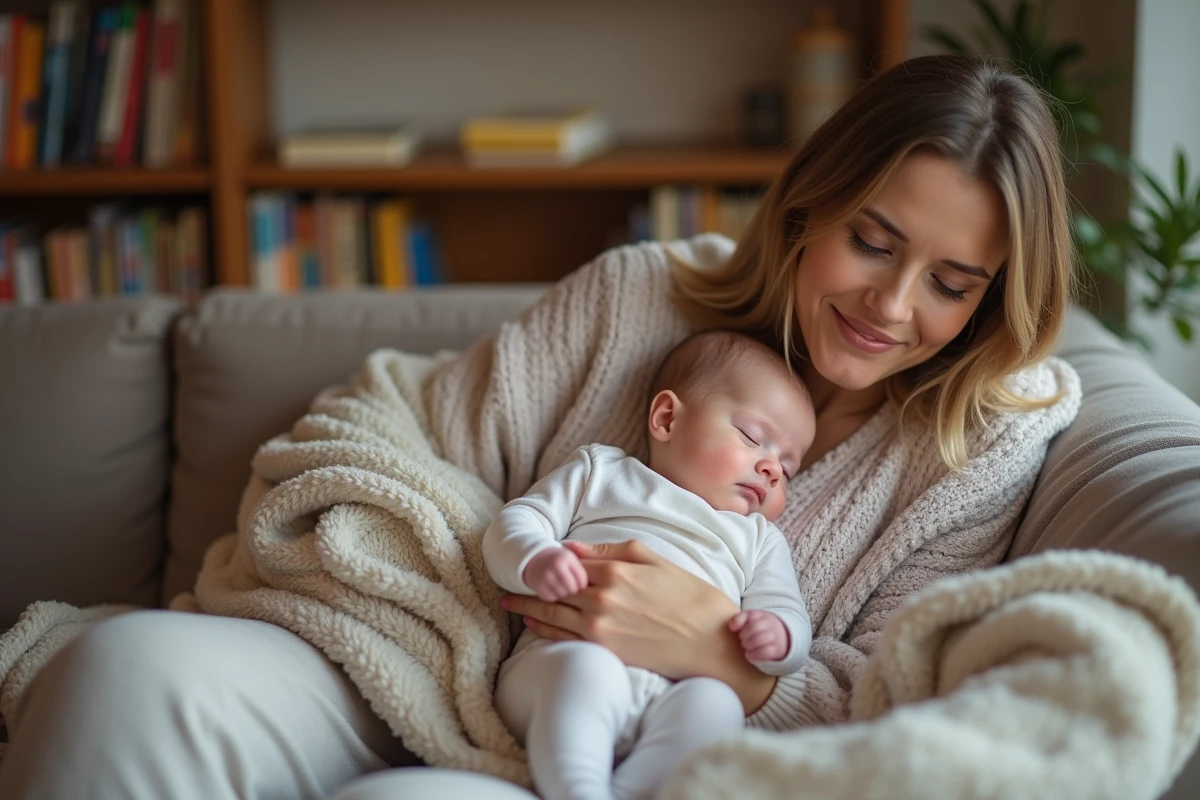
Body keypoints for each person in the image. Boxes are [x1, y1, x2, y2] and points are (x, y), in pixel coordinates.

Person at [0, 53, 1081, 800]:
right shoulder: (637, 299)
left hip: (672, 753)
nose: (892, 304)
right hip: (434, 665)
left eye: (951, 282)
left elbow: (898, 696)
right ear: (809, 207)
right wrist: (513, 584)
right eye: (873, 241)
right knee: (120, 671)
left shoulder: (976, 449)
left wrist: (723, 657)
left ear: (994, 297)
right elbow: (396, 444)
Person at [486, 330, 816, 800]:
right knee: (588, 671)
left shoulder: (759, 539)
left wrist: (780, 637)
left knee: (718, 704)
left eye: (788, 469)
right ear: (667, 418)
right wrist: (535, 558)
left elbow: (787, 607)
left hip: (675, 697)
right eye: (752, 437)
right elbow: (517, 521)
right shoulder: (602, 473)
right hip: (555, 669)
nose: (772, 469)